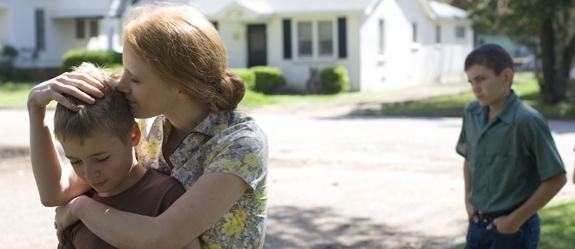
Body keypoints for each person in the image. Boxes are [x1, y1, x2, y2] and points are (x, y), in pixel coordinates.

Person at [27, 3, 268, 249]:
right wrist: (36, 111)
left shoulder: (239, 144)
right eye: (124, 72)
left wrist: (80, 207)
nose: (121, 84)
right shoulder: (148, 127)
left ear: (180, 83)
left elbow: (162, 237)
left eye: (135, 78)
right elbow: (56, 192)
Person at [32, 63, 199, 249]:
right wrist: (35, 110)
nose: (89, 173)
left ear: (134, 135)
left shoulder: (167, 197)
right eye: (75, 161)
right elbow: (51, 193)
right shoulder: (75, 206)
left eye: (101, 158)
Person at [456, 44, 566, 249]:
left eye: (481, 79)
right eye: (471, 81)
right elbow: (469, 158)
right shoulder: (472, 112)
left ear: (506, 77)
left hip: (514, 231)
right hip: (477, 225)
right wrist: (468, 199)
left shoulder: (527, 121)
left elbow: (556, 178)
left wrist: (514, 221)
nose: (475, 88)